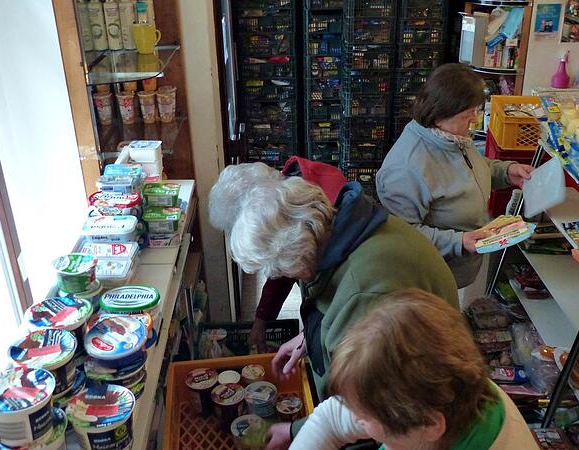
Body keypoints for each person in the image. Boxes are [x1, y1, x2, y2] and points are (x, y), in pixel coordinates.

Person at [208, 164, 459, 449]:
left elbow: (370, 404)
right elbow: (344, 309)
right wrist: (308, 339)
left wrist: (296, 430)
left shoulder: (363, 289)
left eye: (278, 270)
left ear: (296, 256)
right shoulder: (346, 227)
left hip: (415, 417)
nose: (280, 277)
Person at [290, 289, 538, 450]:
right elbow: (331, 418)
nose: (356, 419)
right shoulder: (453, 391)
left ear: (429, 425)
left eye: (366, 418)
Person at [377, 63, 534, 296]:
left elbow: (465, 170)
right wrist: (459, 242)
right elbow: (403, 235)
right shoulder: (406, 168)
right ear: (439, 114)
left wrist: (506, 171)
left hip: (460, 269)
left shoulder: (450, 136)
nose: (472, 121)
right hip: (432, 279)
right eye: (466, 115)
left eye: (474, 112)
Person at [207, 157, 347, 352]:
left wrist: (312, 337)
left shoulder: (329, 201)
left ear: (259, 200)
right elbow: (281, 262)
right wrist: (262, 317)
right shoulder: (282, 198)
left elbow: (342, 309)